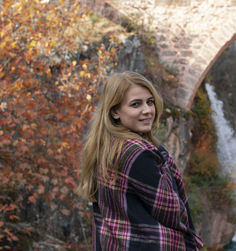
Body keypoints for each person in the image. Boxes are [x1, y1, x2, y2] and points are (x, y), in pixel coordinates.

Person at [76, 71, 203, 250]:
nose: (147, 110)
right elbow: (172, 211)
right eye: (136, 104)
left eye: (150, 102)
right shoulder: (137, 154)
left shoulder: (106, 147)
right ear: (115, 112)